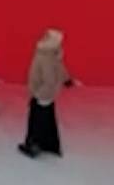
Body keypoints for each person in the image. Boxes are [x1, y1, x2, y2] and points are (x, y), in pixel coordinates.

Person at [19, 28, 71, 157]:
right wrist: (66, 79)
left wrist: (39, 94)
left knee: (37, 120)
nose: (44, 36)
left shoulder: (47, 55)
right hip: (46, 94)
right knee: (47, 120)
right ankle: (51, 145)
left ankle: (33, 145)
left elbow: (50, 80)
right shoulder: (51, 53)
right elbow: (60, 68)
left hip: (43, 94)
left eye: (47, 36)